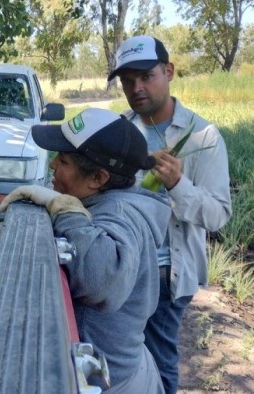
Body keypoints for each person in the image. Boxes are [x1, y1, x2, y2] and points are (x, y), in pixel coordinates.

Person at [0, 108, 170, 393]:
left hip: (111, 382)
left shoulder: (120, 212)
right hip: (124, 371)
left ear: (98, 178)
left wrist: (66, 210)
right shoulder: (112, 201)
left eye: (63, 160)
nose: (53, 165)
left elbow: (104, 281)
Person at [108, 35, 232, 394]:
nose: (137, 88)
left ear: (169, 71)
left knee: (158, 358)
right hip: (121, 261)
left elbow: (218, 214)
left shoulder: (203, 137)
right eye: (128, 81)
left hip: (166, 272)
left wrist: (178, 183)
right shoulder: (120, 130)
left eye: (146, 76)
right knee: (120, 357)